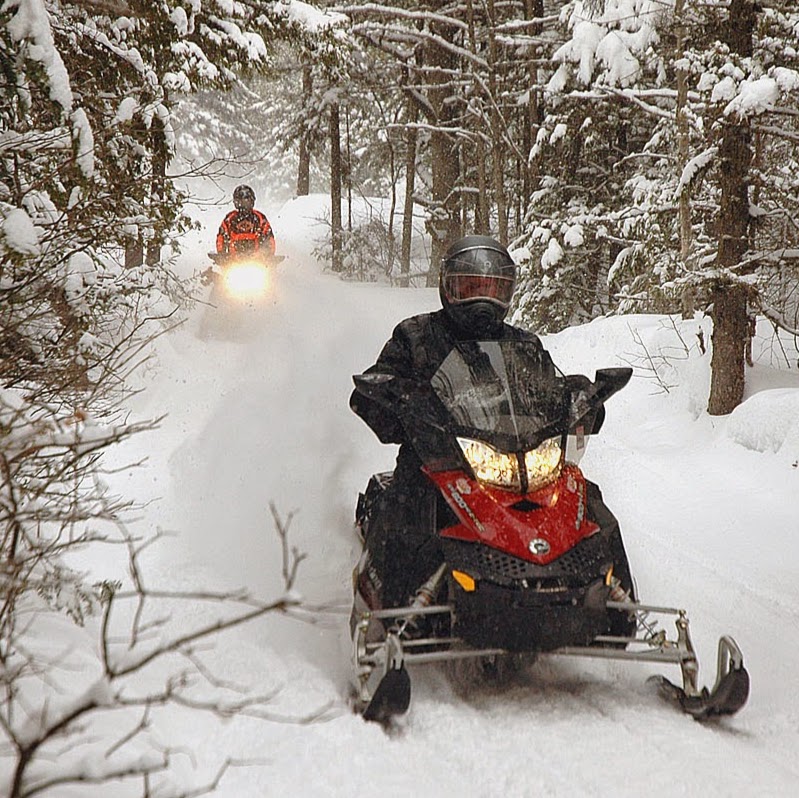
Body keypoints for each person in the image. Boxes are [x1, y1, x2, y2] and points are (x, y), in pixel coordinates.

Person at [350, 235, 557, 610]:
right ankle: (389, 611)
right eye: (471, 287)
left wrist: (578, 402)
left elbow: (549, 389)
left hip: (515, 459)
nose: (483, 300)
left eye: (494, 289)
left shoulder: (524, 345)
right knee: (411, 506)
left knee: (582, 497)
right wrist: (395, 400)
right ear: (449, 287)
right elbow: (378, 382)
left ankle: (610, 603)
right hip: (438, 460)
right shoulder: (416, 335)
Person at [215, 184, 275, 259]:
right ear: (236, 202)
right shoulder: (230, 219)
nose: (244, 205)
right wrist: (222, 254)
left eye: (247, 201)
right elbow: (221, 237)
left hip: (258, 261)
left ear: (252, 201)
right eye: (241, 201)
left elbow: (269, 238)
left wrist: (267, 254)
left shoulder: (260, 218)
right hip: (233, 262)